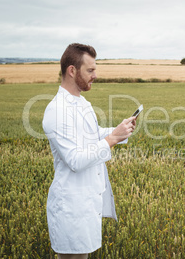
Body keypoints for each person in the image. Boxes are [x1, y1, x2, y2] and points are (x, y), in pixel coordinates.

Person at [42, 43, 136, 258]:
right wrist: (112, 138)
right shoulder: (57, 110)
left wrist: (119, 131)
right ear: (72, 71)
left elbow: (92, 134)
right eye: (90, 70)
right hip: (72, 206)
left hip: (86, 203)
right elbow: (75, 160)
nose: (96, 75)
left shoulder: (82, 103)